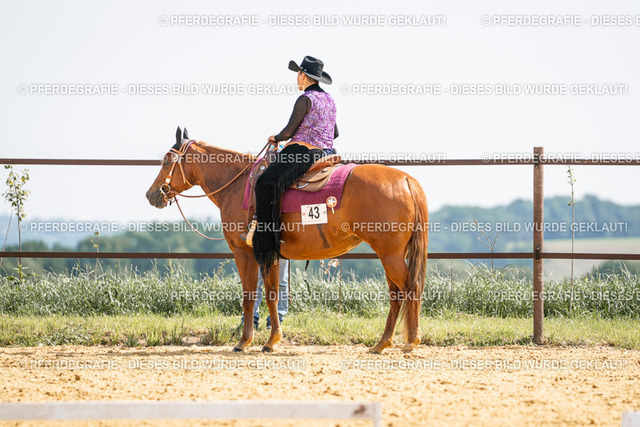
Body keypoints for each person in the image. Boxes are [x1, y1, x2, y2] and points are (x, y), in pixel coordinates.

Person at [253, 56, 339, 272]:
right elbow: (335, 133)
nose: (297, 78)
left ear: (304, 75)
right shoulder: (329, 100)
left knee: (264, 184)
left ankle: (267, 243)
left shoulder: (305, 99)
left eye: (298, 74)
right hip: (328, 152)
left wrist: (276, 137)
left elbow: (288, 132)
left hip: (304, 152)